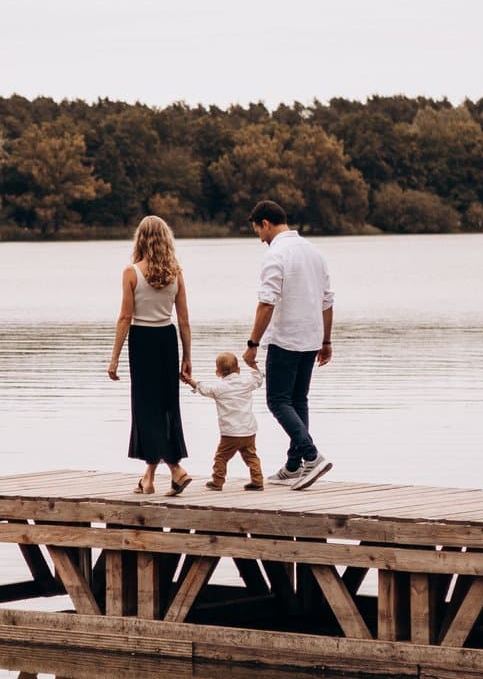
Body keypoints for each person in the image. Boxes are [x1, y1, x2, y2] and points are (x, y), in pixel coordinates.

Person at [241, 199, 333, 490]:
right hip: (311, 337)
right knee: (298, 400)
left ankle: (311, 455)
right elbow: (327, 301)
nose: (259, 237)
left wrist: (253, 343)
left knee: (277, 401)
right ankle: (294, 466)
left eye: (258, 230)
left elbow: (266, 303)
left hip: (285, 339)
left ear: (265, 224)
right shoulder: (314, 253)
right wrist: (326, 340)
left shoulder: (275, 255)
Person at [108, 214, 194, 495]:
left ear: (140, 239)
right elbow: (183, 320)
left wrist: (114, 357)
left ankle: (176, 469)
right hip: (167, 340)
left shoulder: (131, 272)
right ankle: (149, 477)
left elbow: (124, 317)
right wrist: (187, 357)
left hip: (142, 340)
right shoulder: (176, 273)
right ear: (166, 239)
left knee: (147, 408)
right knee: (167, 406)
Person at [189, 351, 264, 491]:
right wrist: (253, 366)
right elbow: (258, 379)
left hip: (230, 433)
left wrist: (190, 381)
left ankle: (217, 481)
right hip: (249, 431)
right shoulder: (246, 383)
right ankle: (258, 481)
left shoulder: (219, 388)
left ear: (217, 372)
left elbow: (203, 388)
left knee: (221, 457)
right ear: (239, 369)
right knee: (251, 456)